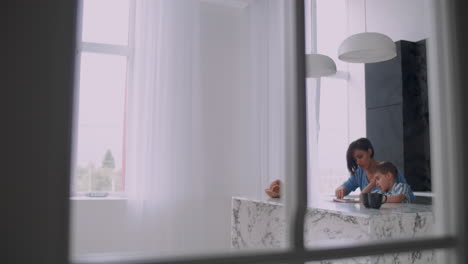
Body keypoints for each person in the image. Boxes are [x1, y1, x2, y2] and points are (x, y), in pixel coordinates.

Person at [334, 138, 415, 201]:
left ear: (369, 152)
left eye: (360, 157)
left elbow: (409, 197)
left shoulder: (388, 169)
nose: (358, 162)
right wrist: (340, 189)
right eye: (355, 160)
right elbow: (346, 187)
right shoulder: (359, 173)